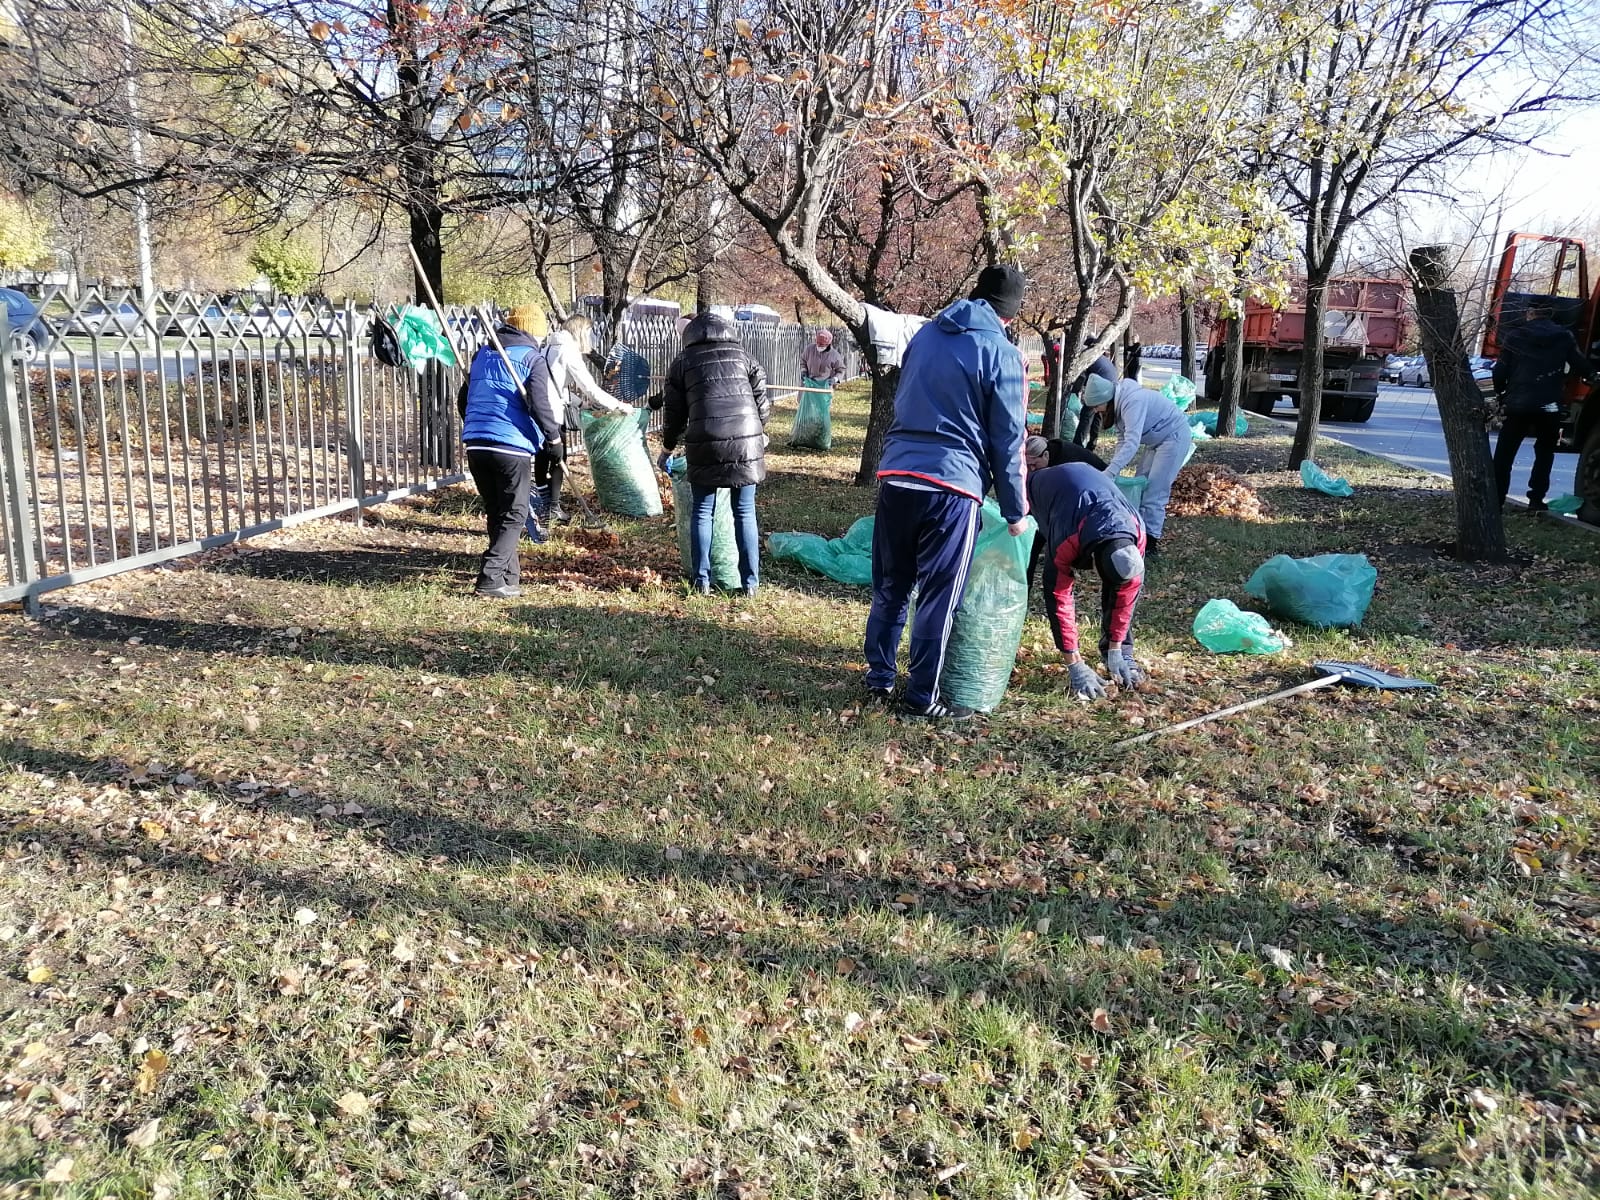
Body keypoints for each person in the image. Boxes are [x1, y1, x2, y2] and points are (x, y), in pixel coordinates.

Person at [863, 264, 1030, 722]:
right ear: (1011, 315)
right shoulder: (1002, 352)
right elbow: (1009, 438)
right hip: (951, 487)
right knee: (939, 595)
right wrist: (1016, 509)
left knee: (891, 586)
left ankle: (879, 678)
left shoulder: (926, 335)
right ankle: (921, 699)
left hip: (896, 473)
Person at [655, 309, 770, 596]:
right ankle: (750, 584)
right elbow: (763, 404)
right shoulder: (745, 357)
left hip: (704, 441)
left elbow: (674, 414)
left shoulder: (683, 362)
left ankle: (701, 582)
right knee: (744, 513)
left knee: (702, 512)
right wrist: (756, 430)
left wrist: (667, 448)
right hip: (746, 442)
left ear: (689, 335)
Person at [459, 305, 558, 599]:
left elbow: (463, 398)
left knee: (498, 510)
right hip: (510, 445)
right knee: (515, 513)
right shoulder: (532, 358)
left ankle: (508, 576)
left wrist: (477, 426)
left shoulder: (482, 355)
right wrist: (553, 440)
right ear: (533, 331)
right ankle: (490, 578)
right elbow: (540, 404)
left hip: (476, 443)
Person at [1028, 461, 1146, 699]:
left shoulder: (1137, 534)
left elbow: (1126, 597)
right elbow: (1058, 598)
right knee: (1024, 559)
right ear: (1091, 558)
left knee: (1119, 589)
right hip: (1040, 491)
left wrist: (1117, 649)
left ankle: (1117, 651)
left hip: (1086, 498)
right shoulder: (1066, 537)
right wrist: (1075, 664)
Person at [1491, 300, 1598, 511]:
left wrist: (1501, 392)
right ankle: (1536, 500)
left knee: (1504, 454)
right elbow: (1580, 365)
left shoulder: (1516, 336)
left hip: (1517, 405)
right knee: (1544, 454)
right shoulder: (1564, 336)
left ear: (1530, 313)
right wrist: (1592, 376)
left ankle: (1497, 499)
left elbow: (1500, 372)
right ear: (1550, 315)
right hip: (1549, 406)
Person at [538, 314, 632, 524]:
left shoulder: (547, 347)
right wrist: (619, 405)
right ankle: (552, 507)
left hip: (538, 409)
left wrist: (579, 403)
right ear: (581, 331)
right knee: (559, 460)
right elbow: (590, 387)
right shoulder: (568, 350)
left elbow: (552, 384)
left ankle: (541, 505)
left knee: (543, 459)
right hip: (552, 413)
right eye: (589, 332)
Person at [1082, 373, 1189, 556]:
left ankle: (1151, 542)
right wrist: (1113, 471)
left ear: (1106, 399)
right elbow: (1122, 439)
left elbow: (1132, 441)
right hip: (1156, 440)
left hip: (1174, 437)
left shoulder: (1133, 402)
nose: (1097, 411)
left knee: (1155, 489)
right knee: (1141, 485)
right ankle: (1139, 534)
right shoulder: (1118, 404)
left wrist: (1111, 472)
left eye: (1097, 407)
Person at [1024, 434, 1107, 585]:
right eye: (1028, 466)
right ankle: (1026, 585)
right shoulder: (1046, 461)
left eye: (1034, 465)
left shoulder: (1065, 464)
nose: (1032, 470)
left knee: (1047, 542)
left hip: (1093, 500)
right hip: (1072, 499)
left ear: (1046, 455)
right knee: (1032, 543)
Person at [1071, 339, 1118, 451]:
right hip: (1110, 384)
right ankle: (1092, 444)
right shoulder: (1099, 356)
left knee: (1087, 414)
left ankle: (1077, 445)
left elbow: (1082, 378)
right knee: (1097, 414)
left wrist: (1073, 392)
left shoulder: (1087, 357)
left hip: (1103, 386)